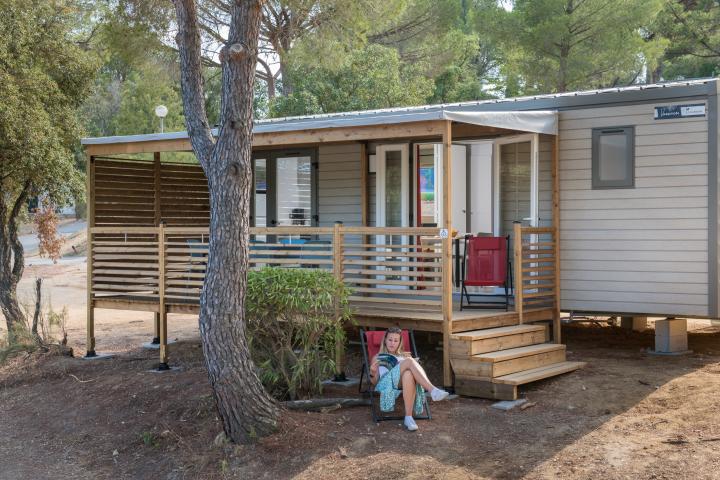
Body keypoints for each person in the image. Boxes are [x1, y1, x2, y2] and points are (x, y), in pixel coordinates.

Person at [369, 327, 450, 431]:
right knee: (409, 361)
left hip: (400, 382)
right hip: (386, 384)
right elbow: (375, 383)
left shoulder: (404, 355)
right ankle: (432, 390)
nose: (392, 343)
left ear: (399, 342)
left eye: (396, 340)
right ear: (385, 340)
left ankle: (408, 417)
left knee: (408, 373)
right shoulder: (377, 357)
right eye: (390, 340)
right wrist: (372, 372)